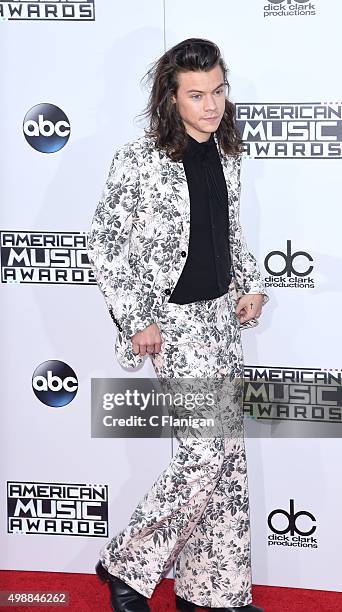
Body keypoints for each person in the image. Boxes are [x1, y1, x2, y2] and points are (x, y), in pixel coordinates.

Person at [87, 37, 269, 612]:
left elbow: (228, 232)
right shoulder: (139, 157)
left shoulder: (228, 151)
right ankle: (126, 563)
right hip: (173, 323)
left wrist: (248, 285)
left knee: (228, 456)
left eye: (218, 91)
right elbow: (105, 242)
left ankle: (211, 591)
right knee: (203, 452)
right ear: (171, 98)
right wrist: (137, 317)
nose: (211, 105)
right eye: (197, 95)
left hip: (220, 317)